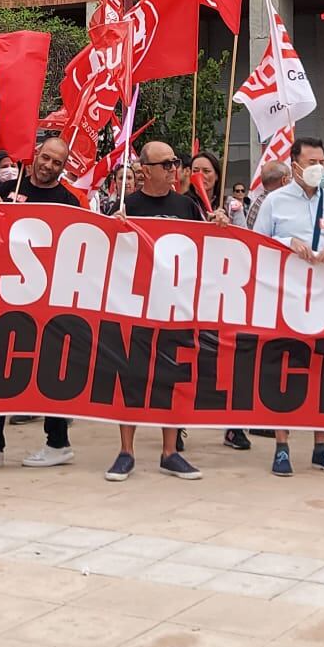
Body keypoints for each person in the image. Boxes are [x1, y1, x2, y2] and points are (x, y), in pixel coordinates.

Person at [254, 136, 324, 477]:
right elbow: (257, 242)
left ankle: (321, 447)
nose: (318, 169)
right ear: (294, 164)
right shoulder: (275, 201)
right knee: (286, 370)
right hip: (287, 297)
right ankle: (281, 446)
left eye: (322, 163)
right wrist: (286, 242)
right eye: (311, 163)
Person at [0, 134, 76, 471]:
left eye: (57, 163)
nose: (48, 166)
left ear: (64, 168)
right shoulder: (7, 190)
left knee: (52, 369)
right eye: (45, 157)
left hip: (49, 298)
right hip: (4, 295)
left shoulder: (68, 201)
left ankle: (58, 441)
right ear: (35, 154)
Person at [109, 139, 205, 481]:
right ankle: (126, 452)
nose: (173, 169)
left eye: (175, 162)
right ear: (144, 170)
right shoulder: (125, 205)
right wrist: (113, 228)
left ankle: (170, 452)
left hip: (175, 306)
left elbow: (205, 247)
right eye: (165, 164)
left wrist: (221, 224)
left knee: (172, 378)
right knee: (131, 376)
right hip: (134, 306)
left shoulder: (187, 205)